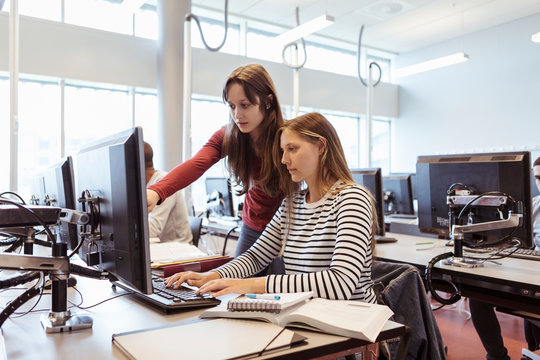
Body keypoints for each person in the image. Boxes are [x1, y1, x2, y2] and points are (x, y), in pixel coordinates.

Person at [164, 112, 378, 303]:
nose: (284, 159)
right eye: (283, 151)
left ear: (321, 147)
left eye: (292, 149)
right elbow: (256, 256)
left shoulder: (352, 199)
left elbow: (340, 283)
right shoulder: (292, 204)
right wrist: (214, 276)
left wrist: (252, 285)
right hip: (309, 320)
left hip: (351, 331)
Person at [146, 64, 284, 260]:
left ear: (268, 101)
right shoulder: (228, 136)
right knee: (235, 283)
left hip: (285, 230)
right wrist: (156, 191)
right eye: (232, 106)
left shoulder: (288, 138)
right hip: (252, 227)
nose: (237, 115)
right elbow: (196, 164)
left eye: (245, 105)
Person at [469, 155, 540, 360]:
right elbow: (513, 237)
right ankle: (497, 356)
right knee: (477, 295)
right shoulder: (533, 206)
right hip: (531, 279)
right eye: (537, 178)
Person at [144, 141, 192, 243]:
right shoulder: (146, 184)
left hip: (179, 247)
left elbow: (152, 230)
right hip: (161, 245)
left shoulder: (163, 182)